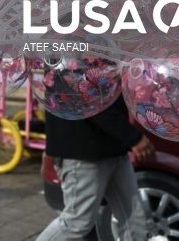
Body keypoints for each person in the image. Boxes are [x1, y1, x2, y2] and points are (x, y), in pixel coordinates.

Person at [36, 94, 156, 241]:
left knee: (136, 221)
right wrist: (132, 137)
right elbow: (90, 101)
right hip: (83, 150)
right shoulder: (74, 70)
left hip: (112, 147)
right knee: (76, 222)